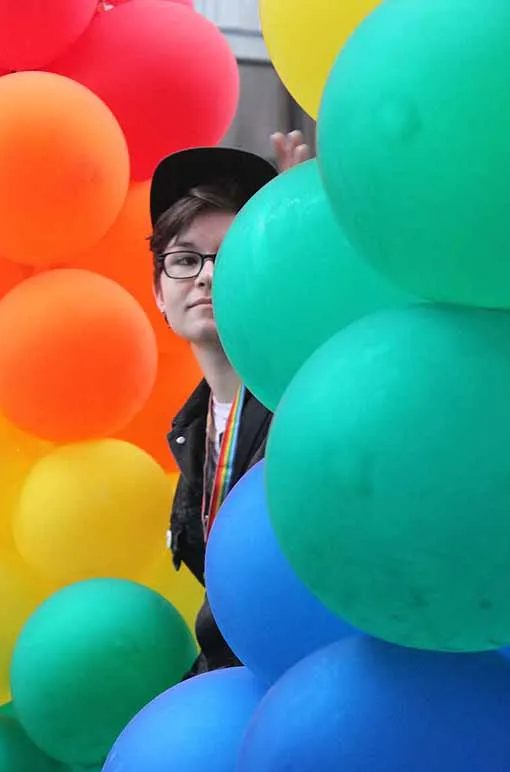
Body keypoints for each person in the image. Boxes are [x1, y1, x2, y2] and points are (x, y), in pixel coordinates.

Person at [150, 131, 311, 675]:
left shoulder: (307, 399)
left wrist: (309, 239)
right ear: (159, 293)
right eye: (184, 260)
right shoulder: (191, 430)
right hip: (233, 683)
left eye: (230, 256)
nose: (207, 275)